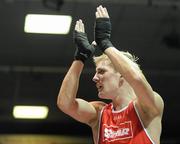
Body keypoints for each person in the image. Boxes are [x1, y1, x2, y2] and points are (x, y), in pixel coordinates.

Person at [57, 5, 164, 144]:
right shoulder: (99, 114)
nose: (94, 78)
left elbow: (136, 78)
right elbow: (65, 104)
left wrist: (106, 44)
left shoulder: (147, 107)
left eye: (101, 71)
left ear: (122, 74)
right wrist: (80, 58)